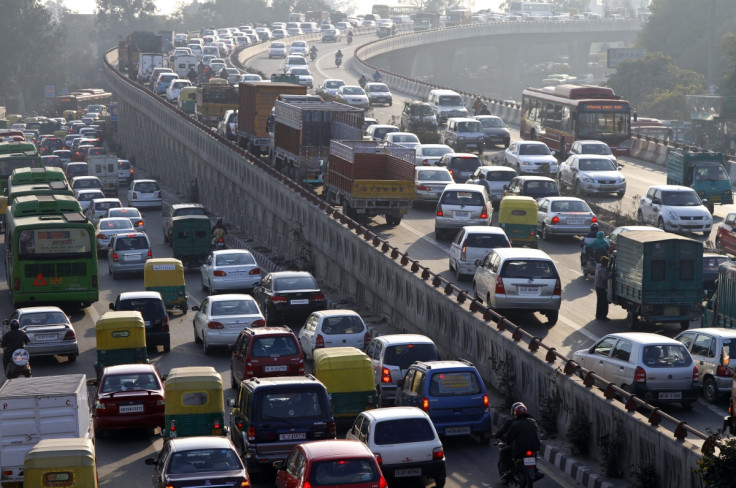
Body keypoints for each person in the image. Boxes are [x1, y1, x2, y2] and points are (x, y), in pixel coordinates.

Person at [496, 403, 541, 481]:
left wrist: (507, 442)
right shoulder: (532, 422)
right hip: (534, 447)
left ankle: (510, 469)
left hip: (520, 449)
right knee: (533, 455)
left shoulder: (515, 425)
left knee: (504, 452)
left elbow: (509, 437)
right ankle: (535, 470)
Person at [595, 255, 613, 321]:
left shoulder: (598, 267)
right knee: (604, 302)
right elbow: (605, 277)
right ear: (604, 263)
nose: (607, 264)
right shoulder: (601, 270)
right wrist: (611, 274)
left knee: (599, 302)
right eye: (606, 263)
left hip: (598, 287)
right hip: (601, 287)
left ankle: (598, 315)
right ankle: (603, 316)